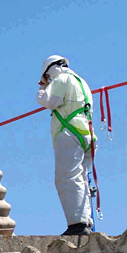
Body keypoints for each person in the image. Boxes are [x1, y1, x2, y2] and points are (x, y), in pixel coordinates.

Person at [36, 55, 96, 236]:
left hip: (69, 133)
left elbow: (51, 101)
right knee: (81, 178)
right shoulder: (82, 82)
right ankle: (85, 221)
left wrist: (41, 91)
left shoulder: (61, 78)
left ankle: (77, 224)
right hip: (87, 134)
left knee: (67, 177)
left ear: (50, 70)